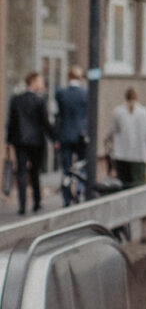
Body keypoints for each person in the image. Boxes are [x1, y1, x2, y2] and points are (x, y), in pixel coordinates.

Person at [5, 70, 55, 215]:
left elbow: (11, 122)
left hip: (20, 141)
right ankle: (36, 202)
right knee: (34, 172)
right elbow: (45, 123)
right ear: (32, 82)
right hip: (36, 142)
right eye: (39, 81)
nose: (42, 84)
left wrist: (9, 141)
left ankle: (22, 206)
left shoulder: (16, 99)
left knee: (21, 172)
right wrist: (54, 139)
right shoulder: (39, 101)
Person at [54, 65, 88, 207]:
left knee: (66, 168)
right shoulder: (86, 93)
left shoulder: (61, 93)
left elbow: (59, 116)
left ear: (69, 77)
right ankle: (79, 191)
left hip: (66, 135)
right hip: (81, 135)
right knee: (82, 165)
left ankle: (67, 198)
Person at [108, 86, 146, 188]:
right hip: (139, 154)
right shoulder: (145, 112)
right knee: (138, 185)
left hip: (122, 154)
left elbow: (113, 130)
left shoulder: (118, 112)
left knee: (123, 184)